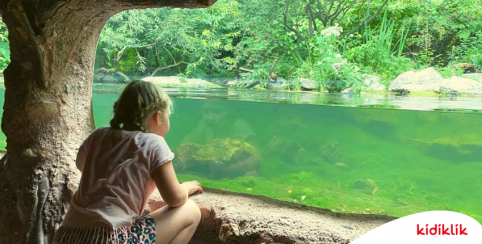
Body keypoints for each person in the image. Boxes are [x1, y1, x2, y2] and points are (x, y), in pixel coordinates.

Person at [53, 80, 203, 244]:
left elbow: (80, 165)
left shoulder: (98, 135)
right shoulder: (154, 143)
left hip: (67, 236)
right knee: (191, 211)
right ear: (157, 116)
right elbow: (174, 198)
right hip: (111, 239)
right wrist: (188, 186)